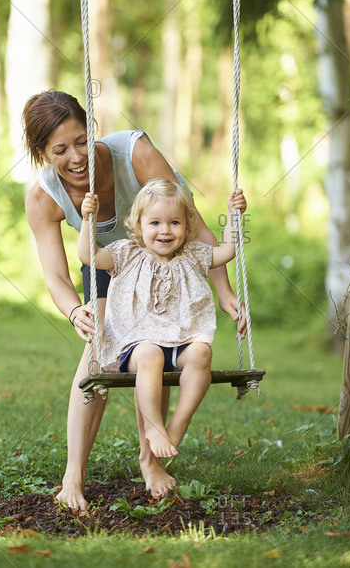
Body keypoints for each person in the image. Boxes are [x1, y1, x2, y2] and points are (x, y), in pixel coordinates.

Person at [23, 89, 247, 511]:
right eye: (59, 149)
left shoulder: (135, 153)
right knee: (98, 348)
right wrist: (76, 311)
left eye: (80, 140)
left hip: (167, 260)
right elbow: (56, 273)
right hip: (111, 260)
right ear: (41, 153)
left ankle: (151, 460)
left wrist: (223, 289)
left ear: (93, 131)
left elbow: (195, 227)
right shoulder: (42, 197)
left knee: (160, 341)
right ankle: (74, 473)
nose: (76, 157)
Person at [79, 180, 247, 459]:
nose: (165, 230)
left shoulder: (193, 255)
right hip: (137, 347)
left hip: (181, 343)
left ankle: (179, 424)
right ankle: (154, 427)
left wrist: (232, 215)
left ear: (186, 225)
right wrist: (88, 220)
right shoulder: (126, 253)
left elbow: (226, 252)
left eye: (174, 223)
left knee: (202, 353)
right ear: (139, 225)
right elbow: (89, 255)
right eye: (155, 222)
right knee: (150, 354)